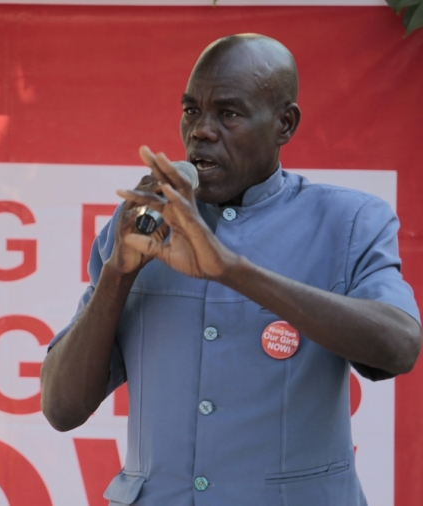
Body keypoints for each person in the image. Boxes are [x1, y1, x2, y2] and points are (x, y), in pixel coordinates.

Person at [40, 34, 421, 505]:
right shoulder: (144, 224)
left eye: (229, 113)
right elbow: (61, 408)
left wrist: (232, 270)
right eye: (191, 111)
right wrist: (118, 274)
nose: (201, 130)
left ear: (284, 124)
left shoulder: (348, 222)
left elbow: (399, 347)